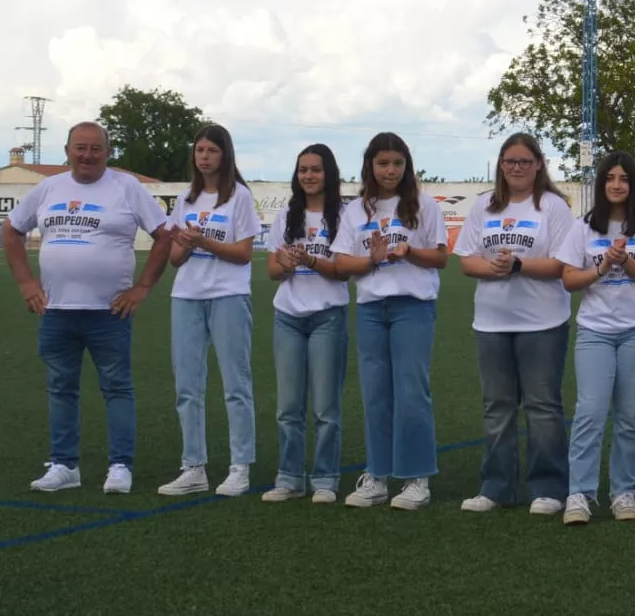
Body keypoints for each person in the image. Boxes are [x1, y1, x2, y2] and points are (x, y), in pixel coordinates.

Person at [3, 122, 174, 494]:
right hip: (56, 310)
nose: (88, 155)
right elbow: (11, 229)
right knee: (60, 388)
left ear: (108, 152)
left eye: (96, 148)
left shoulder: (126, 187)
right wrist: (26, 283)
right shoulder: (49, 188)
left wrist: (143, 287)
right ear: (66, 151)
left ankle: (120, 466)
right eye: (80, 148)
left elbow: (164, 234)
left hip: (109, 311)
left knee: (117, 387)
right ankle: (64, 465)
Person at [455, 133, 582, 517]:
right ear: (500, 165)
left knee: (543, 406)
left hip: (542, 321)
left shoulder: (553, 207)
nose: (516, 168)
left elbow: (561, 265)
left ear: (539, 165)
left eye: (524, 161)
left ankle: (548, 487)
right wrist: (493, 268)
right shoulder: (484, 206)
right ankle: (497, 486)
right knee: (497, 407)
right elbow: (466, 260)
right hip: (492, 321)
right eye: (509, 162)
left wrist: (519, 265)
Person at [332, 132, 449, 511]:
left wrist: (409, 250)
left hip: (412, 307)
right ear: (370, 166)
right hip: (370, 309)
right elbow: (341, 263)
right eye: (383, 163)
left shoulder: (424, 205)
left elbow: (441, 258)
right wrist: (374, 259)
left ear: (407, 166)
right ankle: (377, 476)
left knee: (412, 393)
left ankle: (417, 478)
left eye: (397, 163)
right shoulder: (356, 211)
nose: (390, 170)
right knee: (375, 394)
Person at [156, 124, 263, 498]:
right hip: (186, 297)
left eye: (211, 151)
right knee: (187, 387)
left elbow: (244, 254)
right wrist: (185, 244)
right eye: (199, 150)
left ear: (225, 155)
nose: (204, 156)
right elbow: (173, 259)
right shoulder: (185, 199)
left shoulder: (240, 198)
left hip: (228, 296)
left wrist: (203, 240)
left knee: (236, 385)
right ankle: (193, 466)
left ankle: (240, 466)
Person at [561, 150, 635, 523]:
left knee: (631, 416)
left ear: (633, 185)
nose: (616, 185)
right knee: (589, 412)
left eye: (623, 179)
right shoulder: (583, 227)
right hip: (595, 331)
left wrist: (627, 261)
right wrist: (604, 265)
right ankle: (579, 494)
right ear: (601, 184)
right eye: (609, 178)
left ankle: (623, 492)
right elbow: (570, 280)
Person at [263, 144, 350, 504]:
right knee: (288, 407)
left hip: (328, 315)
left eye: (315, 169)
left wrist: (312, 262)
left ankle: (326, 478)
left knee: (326, 407)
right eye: (303, 170)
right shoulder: (287, 214)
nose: (309, 176)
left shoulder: (345, 215)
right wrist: (286, 263)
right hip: (288, 316)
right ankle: (289, 477)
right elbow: (272, 271)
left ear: (329, 173)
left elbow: (345, 270)